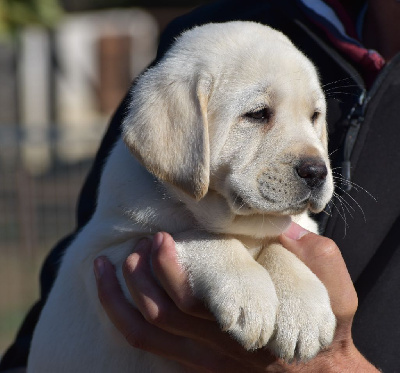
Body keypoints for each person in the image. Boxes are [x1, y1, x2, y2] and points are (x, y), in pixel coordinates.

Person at [1, 0, 399, 371]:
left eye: (314, 116)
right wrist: (212, 258)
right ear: (182, 134)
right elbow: (110, 273)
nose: (312, 162)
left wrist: (290, 276)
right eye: (259, 114)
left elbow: (291, 247)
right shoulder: (212, 45)